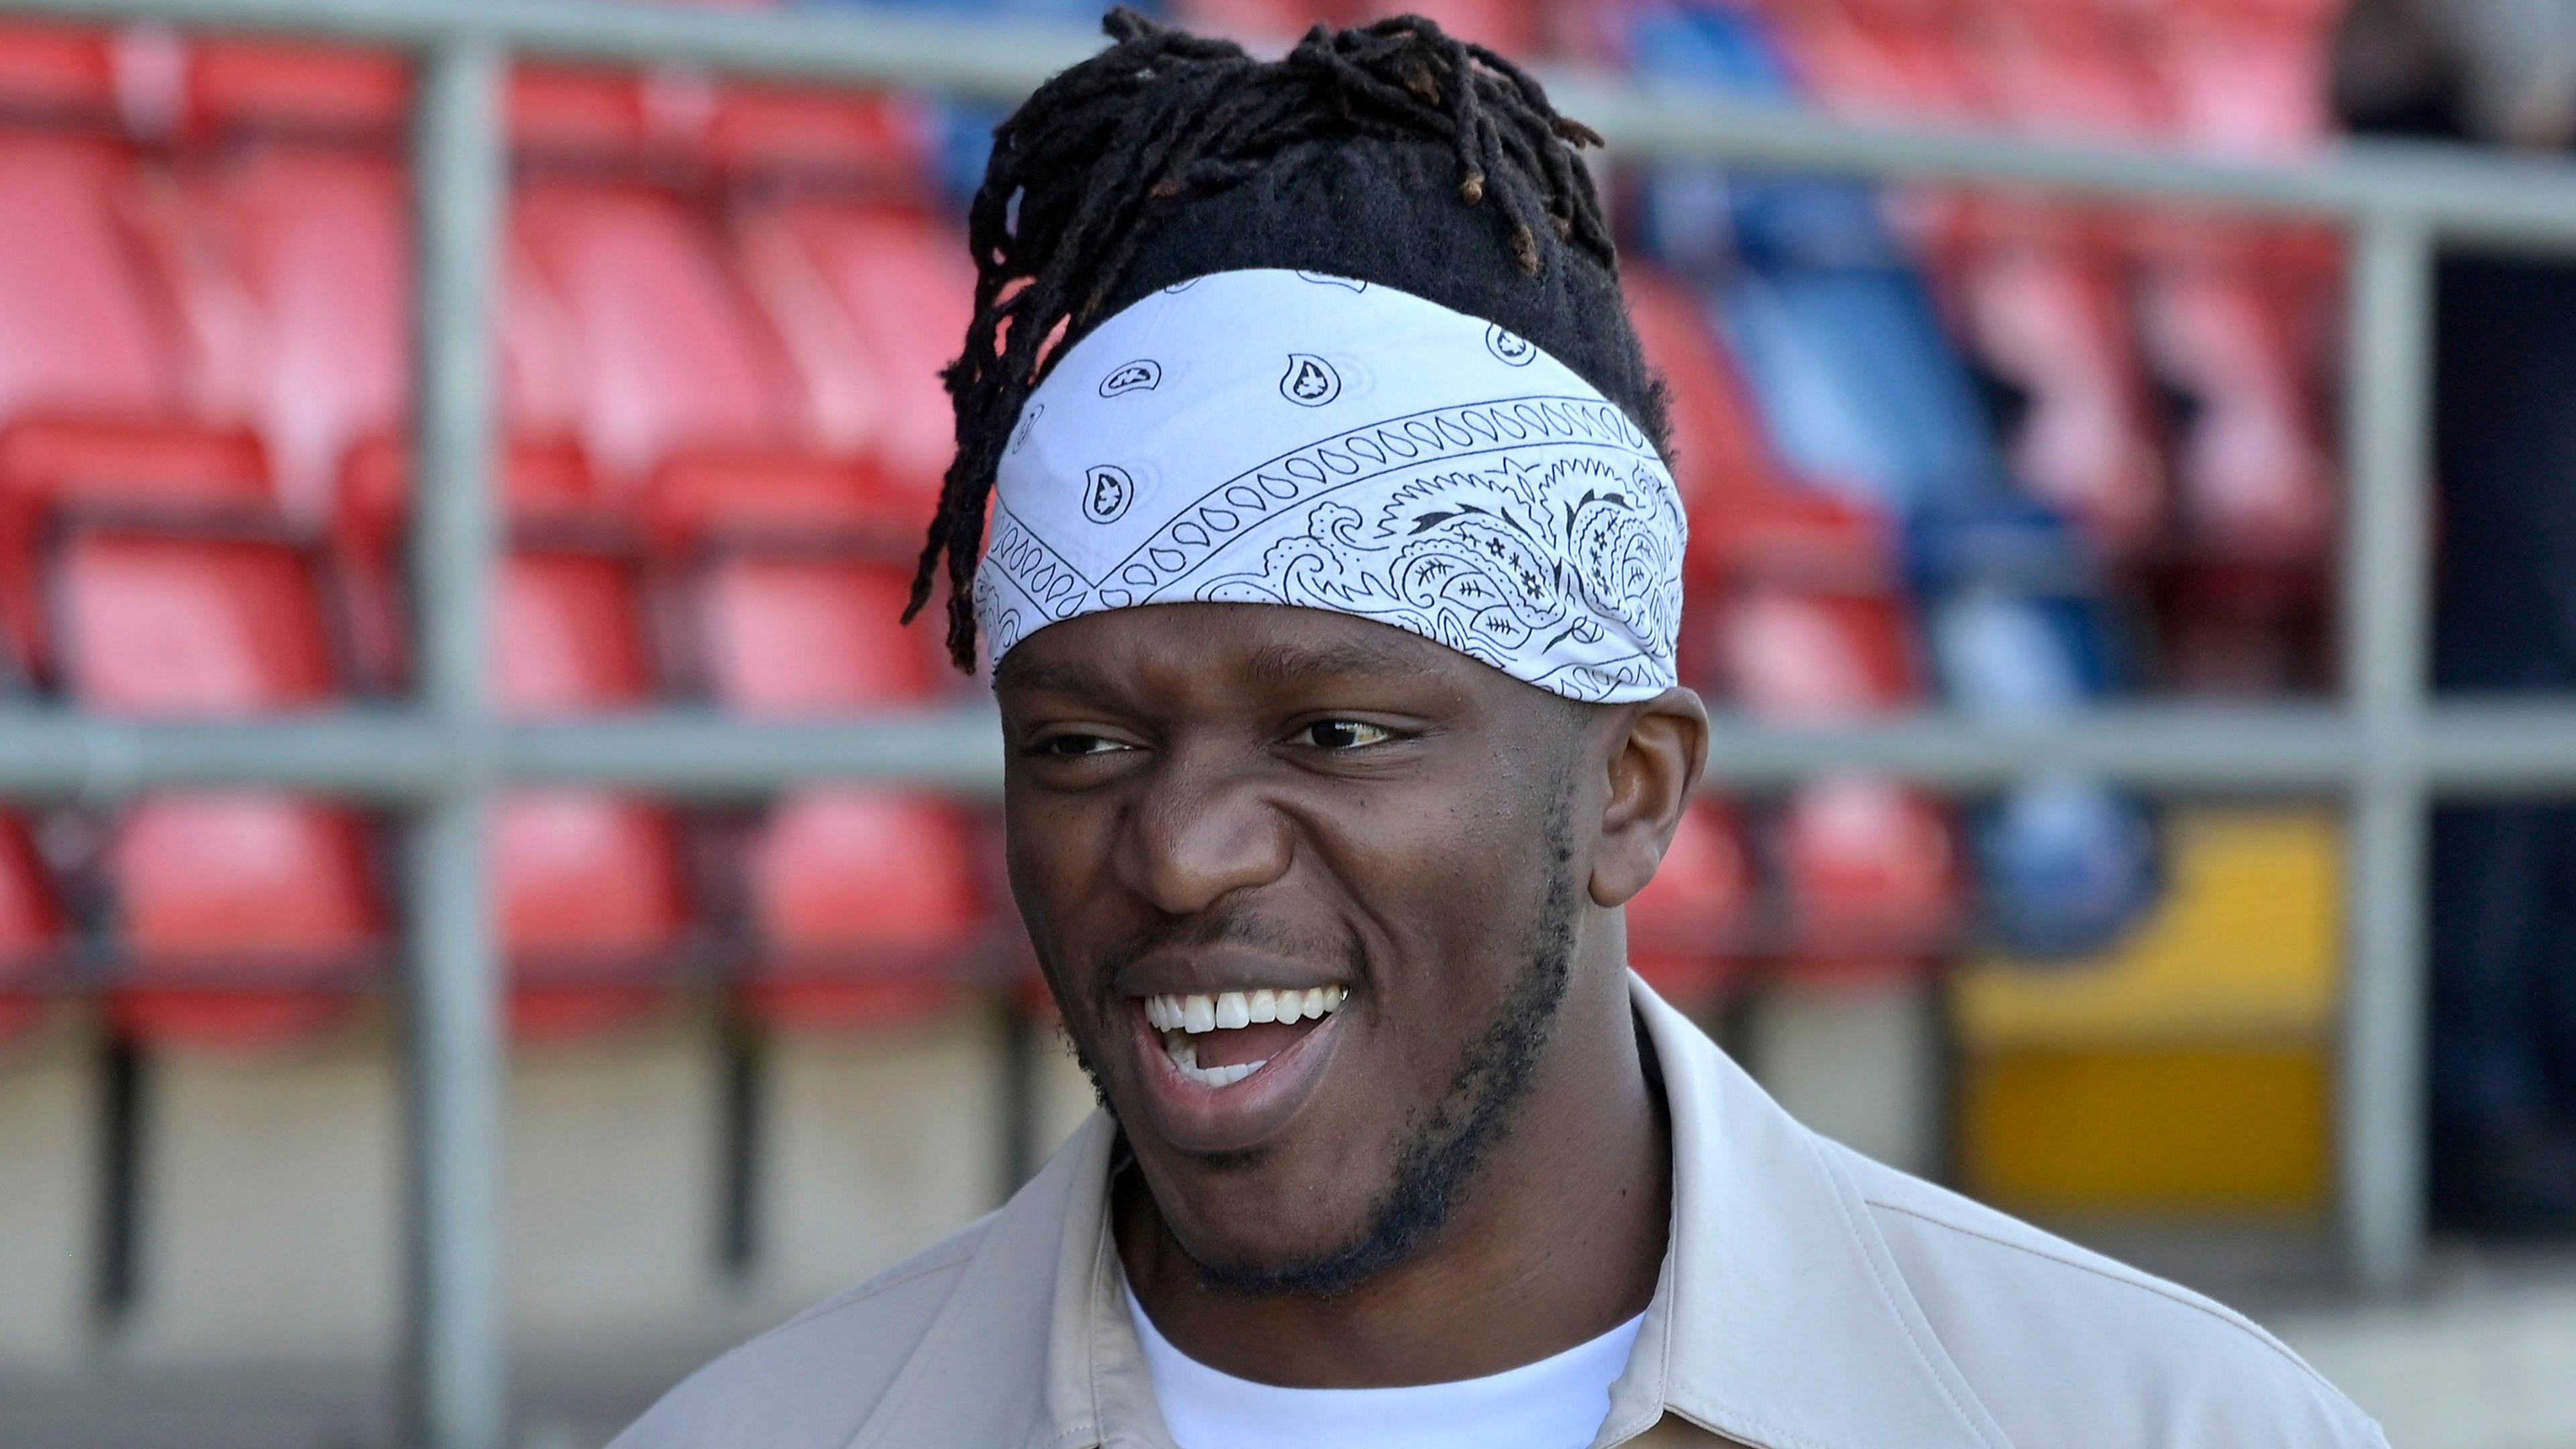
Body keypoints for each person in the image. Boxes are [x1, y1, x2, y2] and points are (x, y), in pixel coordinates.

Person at [616, 13, 2385, 1447]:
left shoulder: (2152, 1422)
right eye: (1080, 745)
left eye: (1338, 734)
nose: (1176, 850)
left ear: (1631, 792)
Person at [2337, 0, 2576, 1232]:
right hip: (2487, 166)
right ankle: (2477, 1108)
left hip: (2512, 168)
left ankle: (2522, 1093)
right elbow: (2530, 98)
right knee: (2524, 645)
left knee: (2542, 646)